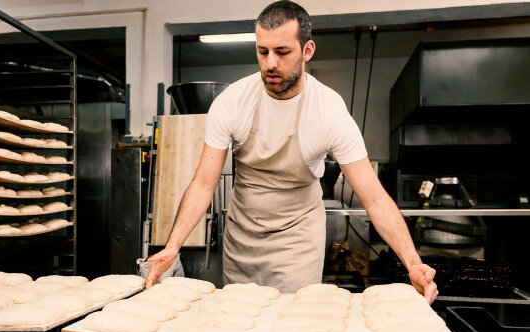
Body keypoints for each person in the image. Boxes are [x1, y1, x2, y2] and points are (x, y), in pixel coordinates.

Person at [146, 0, 438, 303]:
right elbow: (204, 183)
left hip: (297, 241)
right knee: (239, 327)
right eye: (263, 51)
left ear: (307, 50)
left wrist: (413, 264)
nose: (270, 63)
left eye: (282, 52)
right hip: (242, 237)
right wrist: (173, 245)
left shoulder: (329, 112)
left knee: (288, 330)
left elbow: (374, 198)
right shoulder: (231, 103)